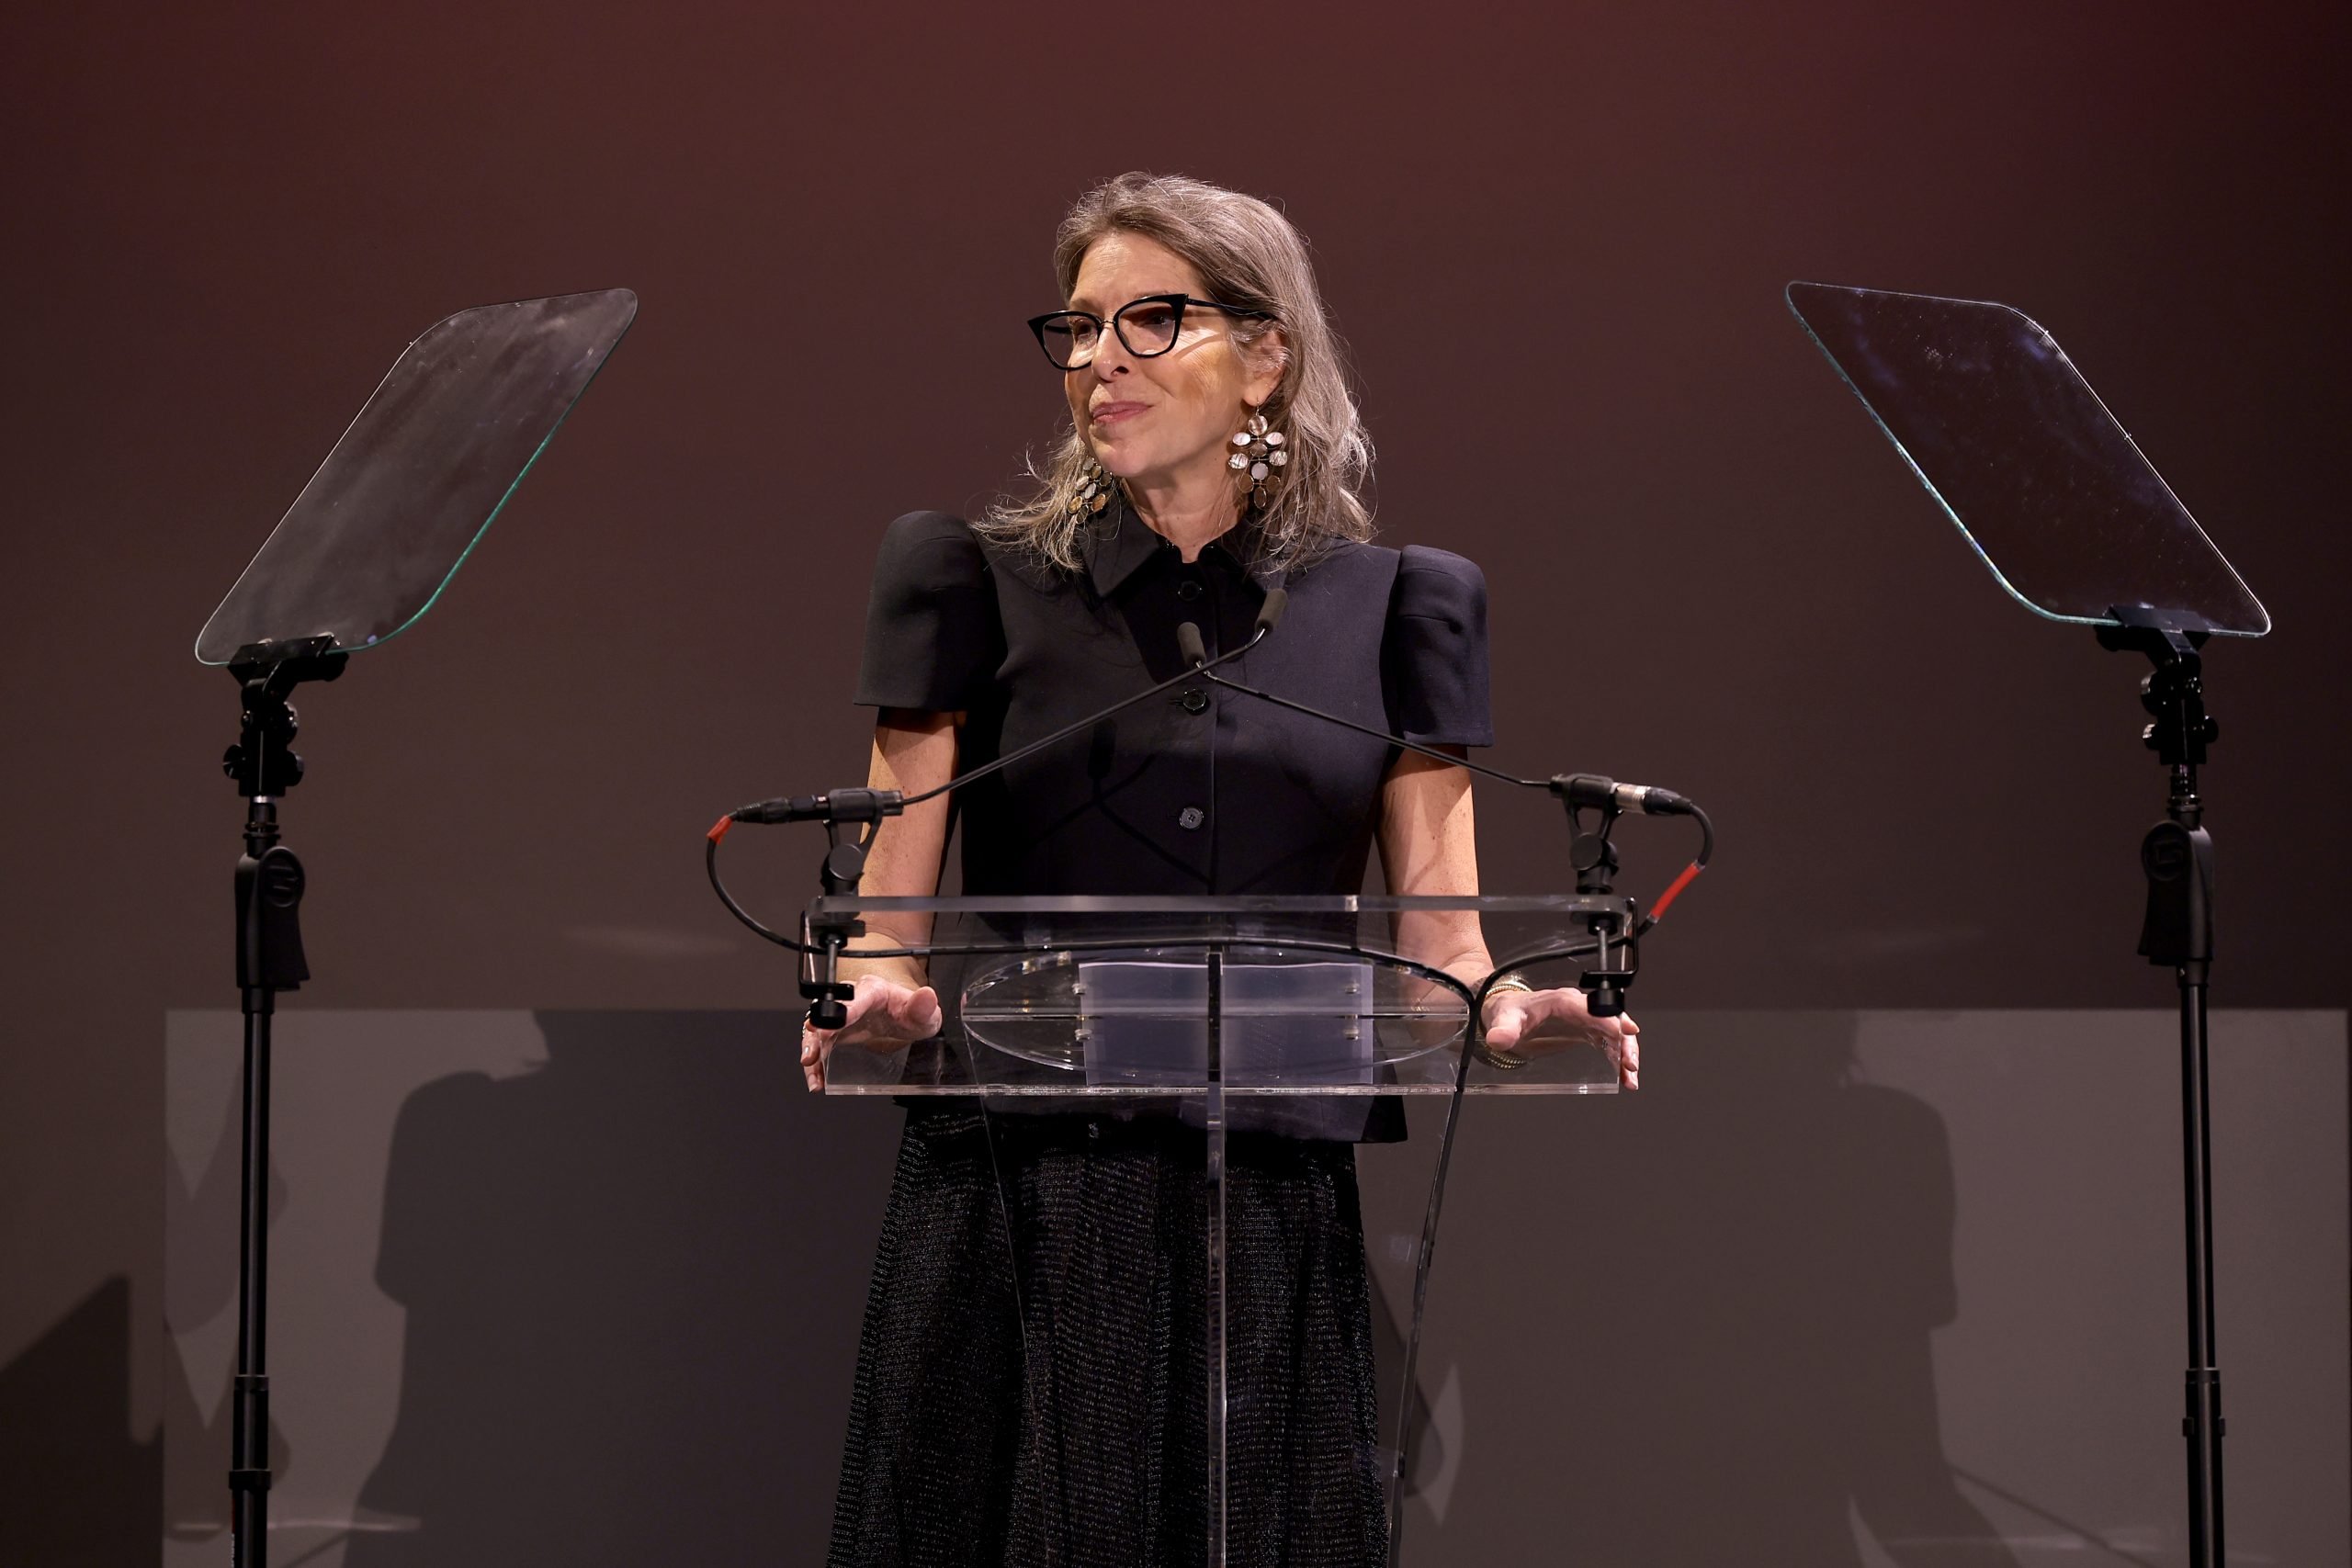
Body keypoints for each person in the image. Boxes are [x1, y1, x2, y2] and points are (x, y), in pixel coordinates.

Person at [804, 172, 1638, 1568]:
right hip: (1019, 1189)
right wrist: (876, 988)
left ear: (1267, 355)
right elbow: (889, 924)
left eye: (1152, 320)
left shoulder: (1403, 606)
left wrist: (1500, 1009)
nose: (1100, 361)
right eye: (1076, 329)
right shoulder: (966, 578)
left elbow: (1443, 944)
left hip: (1260, 1198)